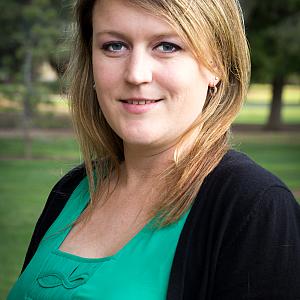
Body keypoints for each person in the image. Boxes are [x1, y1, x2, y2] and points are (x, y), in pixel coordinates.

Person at [7, 0, 300, 299]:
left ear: (217, 64)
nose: (136, 74)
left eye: (167, 46)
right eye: (114, 46)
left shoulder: (255, 208)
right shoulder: (71, 190)